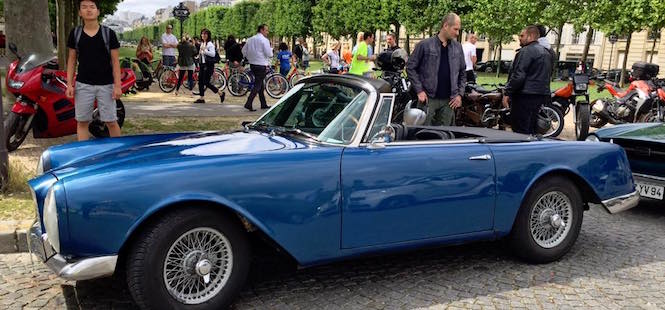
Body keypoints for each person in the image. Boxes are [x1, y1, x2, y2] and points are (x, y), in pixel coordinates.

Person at [65, 0, 122, 141]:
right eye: (84, 7)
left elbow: (115, 62)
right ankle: (85, 157)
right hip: (83, 84)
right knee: (82, 122)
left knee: (111, 122)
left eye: (92, 7)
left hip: (106, 85)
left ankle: (117, 154)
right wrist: (69, 84)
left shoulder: (109, 34)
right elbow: (71, 60)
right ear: (79, 12)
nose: (88, 10)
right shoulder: (75, 34)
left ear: (98, 11)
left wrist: (118, 86)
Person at [406, 13, 466, 127]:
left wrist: (459, 95)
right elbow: (410, 67)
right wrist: (419, 90)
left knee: (444, 136)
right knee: (422, 133)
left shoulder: (458, 47)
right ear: (445, 25)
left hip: (449, 101)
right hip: (428, 99)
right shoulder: (424, 45)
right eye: (455, 29)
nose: (457, 33)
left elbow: (462, 73)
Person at [502, 26, 553, 135]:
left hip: (524, 96)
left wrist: (507, 92)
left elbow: (519, 75)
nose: (519, 38)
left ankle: (520, 150)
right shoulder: (547, 53)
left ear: (530, 36)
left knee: (520, 129)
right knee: (531, 128)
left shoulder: (525, 51)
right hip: (539, 95)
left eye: (522, 35)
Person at [242, 24, 273, 111]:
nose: (267, 32)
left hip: (253, 64)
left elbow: (243, 51)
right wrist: (271, 51)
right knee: (258, 84)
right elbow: (269, 54)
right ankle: (249, 103)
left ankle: (263, 103)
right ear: (262, 30)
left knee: (260, 84)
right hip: (261, 64)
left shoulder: (250, 39)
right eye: (266, 30)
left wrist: (249, 57)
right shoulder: (264, 40)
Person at [194, 29, 224, 104]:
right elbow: (202, 53)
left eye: (205, 34)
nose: (203, 35)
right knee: (200, 81)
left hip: (208, 65)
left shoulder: (210, 44)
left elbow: (213, 54)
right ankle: (201, 98)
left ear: (208, 35)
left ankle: (220, 92)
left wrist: (205, 51)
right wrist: (198, 56)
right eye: (202, 34)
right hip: (202, 64)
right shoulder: (203, 43)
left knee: (205, 82)